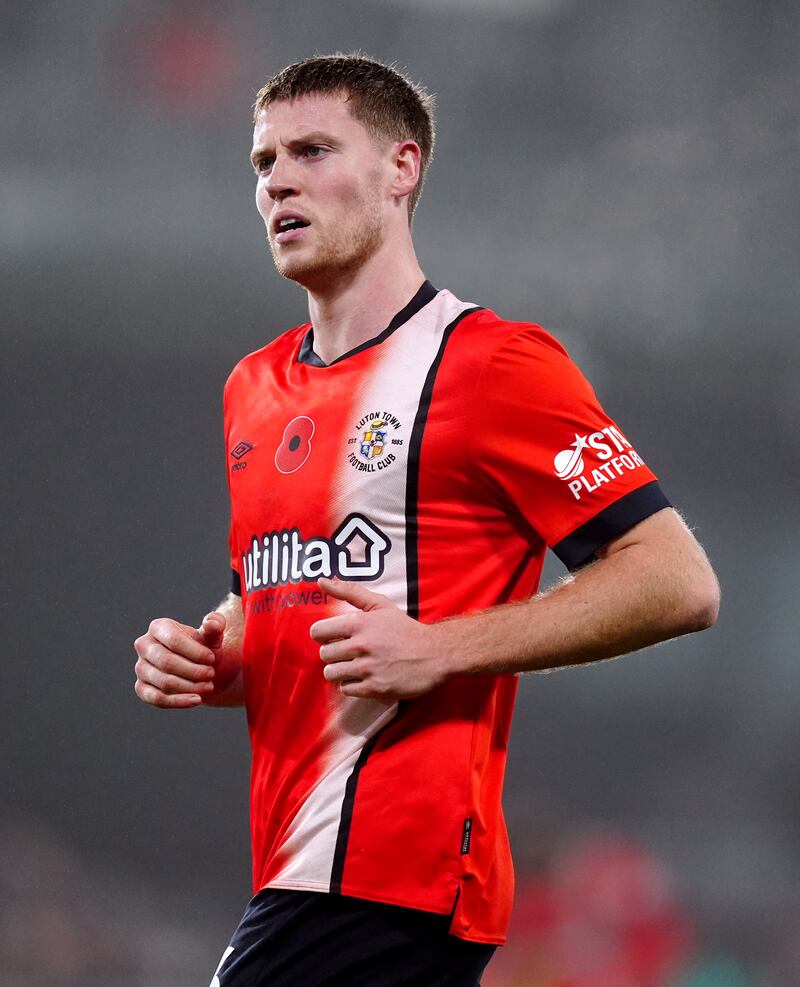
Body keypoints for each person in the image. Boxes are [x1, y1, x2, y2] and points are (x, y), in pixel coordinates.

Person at [134, 53, 720, 987]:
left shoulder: (492, 364)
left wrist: (441, 646)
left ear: (401, 168)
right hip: (295, 861)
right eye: (263, 161)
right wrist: (220, 650)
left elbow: (678, 579)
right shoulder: (253, 387)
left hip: (396, 873)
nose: (278, 179)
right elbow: (284, 599)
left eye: (313, 150)